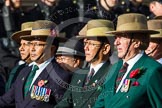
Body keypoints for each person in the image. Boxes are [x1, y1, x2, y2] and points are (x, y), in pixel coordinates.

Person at [94, 13, 162, 108]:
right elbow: (100, 103)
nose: (116, 42)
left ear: (137, 42)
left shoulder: (152, 70)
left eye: (122, 36)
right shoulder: (115, 68)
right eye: (116, 37)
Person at [0, 20, 72, 108]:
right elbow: (6, 100)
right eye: (31, 44)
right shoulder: (24, 72)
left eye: (37, 44)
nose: (32, 49)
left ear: (51, 49)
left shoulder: (60, 76)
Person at [55, 19, 114, 108]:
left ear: (105, 49)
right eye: (85, 43)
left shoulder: (112, 74)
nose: (86, 48)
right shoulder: (79, 74)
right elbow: (65, 103)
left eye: (91, 44)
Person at [5, 22, 33, 92]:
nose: (20, 48)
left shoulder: (52, 71)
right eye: (20, 44)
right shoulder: (17, 70)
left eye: (25, 44)